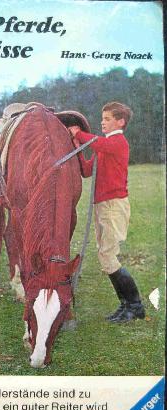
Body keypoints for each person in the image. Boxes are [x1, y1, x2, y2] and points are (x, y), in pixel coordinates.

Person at [68, 101, 145, 324]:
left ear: (120, 122)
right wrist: (76, 147)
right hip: (102, 205)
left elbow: (97, 143)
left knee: (109, 257)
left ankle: (135, 306)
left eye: (108, 119)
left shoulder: (118, 142)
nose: (103, 122)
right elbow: (85, 170)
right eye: (102, 119)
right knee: (105, 256)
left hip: (113, 205)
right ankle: (126, 306)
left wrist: (79, 133)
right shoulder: (103, 147)